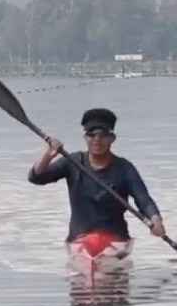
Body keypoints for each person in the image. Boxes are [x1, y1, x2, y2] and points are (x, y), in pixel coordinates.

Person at [29, 108, 166, 258]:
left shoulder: (125, 169)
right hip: (79, 239)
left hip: (116, 241)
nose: (97, 140)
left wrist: (155, 219)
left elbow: (144, 200)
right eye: (91, 135)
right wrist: (47, 157)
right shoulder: (72, 162)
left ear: (112, 138)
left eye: (103, 135)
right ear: (85, 138)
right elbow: (36, 178)